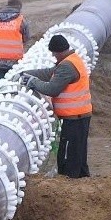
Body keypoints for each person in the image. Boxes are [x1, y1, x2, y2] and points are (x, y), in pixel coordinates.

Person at [20, 34, 92, 178]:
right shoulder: (72, 60)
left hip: (74, 118)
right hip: (79, 116)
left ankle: (70, 184)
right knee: (78, 153)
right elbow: (49, 73)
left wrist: (32, 82)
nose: (53, 56)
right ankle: (83, 182)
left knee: (68, 156)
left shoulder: (66, 66)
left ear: (58, 51)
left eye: (53, 53)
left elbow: (52, 89)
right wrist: (23, 74)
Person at [0, 0, 31, 85]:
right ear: (19, 8)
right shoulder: (21, 21)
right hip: (15, 63)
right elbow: (26, 38)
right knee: (12, 89)